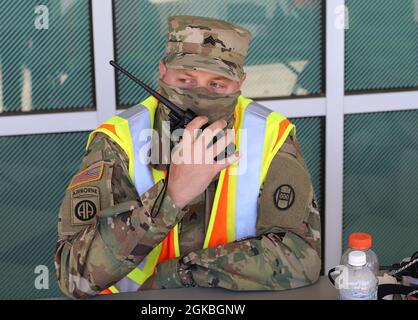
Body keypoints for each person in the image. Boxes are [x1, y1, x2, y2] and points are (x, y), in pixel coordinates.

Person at [55, 16, 321, 299]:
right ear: (163, 72)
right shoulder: (119, 140)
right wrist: (171, 198)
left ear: (240, 82)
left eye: (217, 85)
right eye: (185, 80)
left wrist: (179, 275)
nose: (199, 96)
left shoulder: (269, 134)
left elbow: (301, 256)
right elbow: (74, 276)